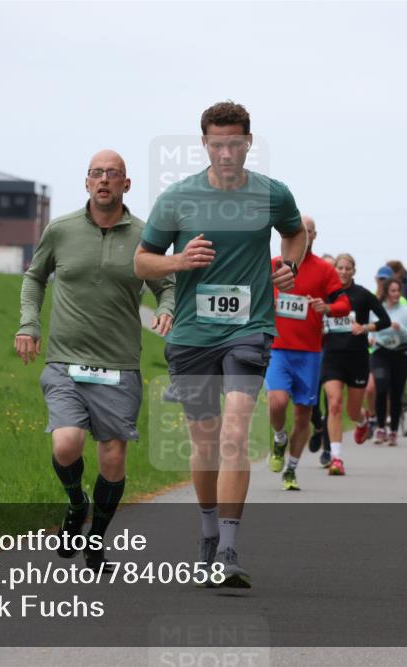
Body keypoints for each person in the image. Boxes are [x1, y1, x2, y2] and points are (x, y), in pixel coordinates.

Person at [134, 101, 306, 588]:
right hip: (191, 335)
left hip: (249, 329)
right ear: (204, 144)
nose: (226, 152)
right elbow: (142, 262)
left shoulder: (273, 194)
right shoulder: (178, 198)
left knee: (234, 434)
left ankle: (230, 549)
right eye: (217, 143)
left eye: (235, 142)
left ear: (249, 142)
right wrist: (179, 261)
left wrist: (289, 265)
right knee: (205, 442)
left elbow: (293, 234)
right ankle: (208, 532)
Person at [16, 150, 175, 571]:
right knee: (66, 444)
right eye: (97, 173)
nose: (104, 180)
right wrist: (28, 324)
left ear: (127, 184)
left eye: (114, 174)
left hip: (119, 364)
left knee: (113, 457)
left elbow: (166, 285)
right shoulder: (61, 230)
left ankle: (97, 542)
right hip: (65, 360)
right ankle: (75, 503)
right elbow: (34, 277)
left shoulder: (146, 235)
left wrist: (167, 308)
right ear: (86, 182)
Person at [267, 217, 350, 490]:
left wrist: (326, 308)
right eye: (300, 230)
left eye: (309, 231)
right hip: (278, 348)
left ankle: (291, 470)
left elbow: (343, 303)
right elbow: (253, 292)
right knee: (277, 402)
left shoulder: (325, 270)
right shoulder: (274, 264)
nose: (304, 235)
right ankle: (279, 438)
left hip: (310, 353)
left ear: (314, 236)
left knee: (304, 415)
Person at [320, 253, 390, 469]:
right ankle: (336, 458)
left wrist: (365, 327)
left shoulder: (363, 295)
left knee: (352, 411)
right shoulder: (326, 294)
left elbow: (385, 320)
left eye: (347, 268)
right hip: (332, 356)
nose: (343, 271)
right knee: (334, 405)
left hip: (357, 357)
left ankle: (362, 421)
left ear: (354, 271)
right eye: (339, 268)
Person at [369, 278, 407, 446]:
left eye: (398, 291)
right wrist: (370, 337)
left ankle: (393, 432)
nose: (396, 294)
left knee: (396, 394)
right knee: (382, 388)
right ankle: (381, 427)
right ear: (386, 292)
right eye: (393, 291)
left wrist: (402, 329)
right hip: (380, 353)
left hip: (400, 354)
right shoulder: (377, 310)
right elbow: (369, 328)